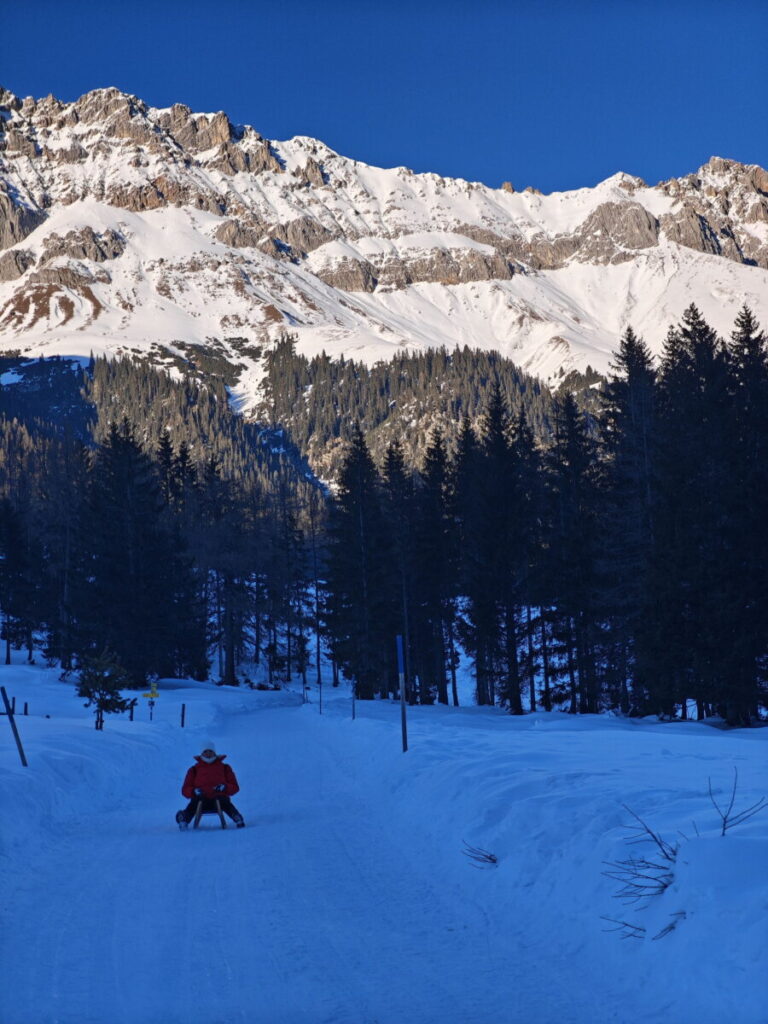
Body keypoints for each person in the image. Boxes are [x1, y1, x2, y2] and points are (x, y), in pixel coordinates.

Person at [176, 742, 245, 829]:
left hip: (219, 797)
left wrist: (225, 787)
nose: (208, 754)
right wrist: (193, 791)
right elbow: (185, 789)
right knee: (194, 803)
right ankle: (184, 818)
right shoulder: (194, 770)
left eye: (210, 751)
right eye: (205, 751)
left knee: (225, 802)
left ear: (214, 752)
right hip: (200, 799)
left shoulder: (225, 767)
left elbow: (235, 787)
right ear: (201, 753)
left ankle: (236, 817)